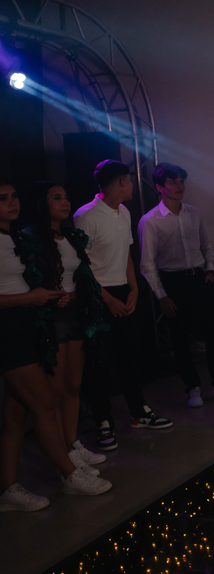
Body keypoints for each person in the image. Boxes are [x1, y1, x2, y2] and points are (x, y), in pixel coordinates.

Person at [0, 178, 111, 510]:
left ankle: (8, 490)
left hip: (28, 323)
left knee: (15, 415)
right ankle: (69, 474)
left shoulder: (15, 238)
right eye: (3, 198)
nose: (12, 202)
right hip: (9, 329)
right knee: (45, 405)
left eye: (14, 196)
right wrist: (30, 298)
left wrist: (47, 297)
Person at [75, 160, 171, 451]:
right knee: (99, 362)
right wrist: (108, 299)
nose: (131, 185)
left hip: (123, 289)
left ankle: (138, 411)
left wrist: (133, 288)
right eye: (129, 180)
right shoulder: (86, 216)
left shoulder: (124, 212)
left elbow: (127, 252)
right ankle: (103, 422)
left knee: (131, 354)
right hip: (97, 295)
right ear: (120, 182)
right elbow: (81, 266)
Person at [23, 182, 113, 477]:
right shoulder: (31, 238)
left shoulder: (72, 236)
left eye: (66, 197)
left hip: (77, 313)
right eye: (57, 198)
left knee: (74, 383)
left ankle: (73, 444)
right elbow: (30, 278)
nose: (65, 202)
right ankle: (63, 453)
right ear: (42, 204)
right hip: (54, 316)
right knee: (57, 388)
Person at [139, 163, 214, 408]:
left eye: (181, 181)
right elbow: (147, 263)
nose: (179, 186)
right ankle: (192, 388)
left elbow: (206, 245)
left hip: (199, 277)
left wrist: (210, 269)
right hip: (173, 281)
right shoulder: (150, 220)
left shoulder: (194, 213)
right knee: (179, 338)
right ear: (160, 187)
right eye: (173, 182)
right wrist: (162, 295)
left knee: (212, 333)